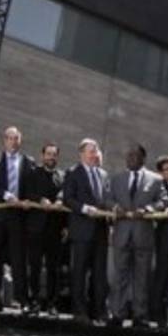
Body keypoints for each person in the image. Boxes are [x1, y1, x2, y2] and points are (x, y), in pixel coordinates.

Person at [108, 144, 167, 329]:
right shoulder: (117, 178)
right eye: (128, 155)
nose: (130, 158)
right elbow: (107, 198)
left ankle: (140, 316)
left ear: (143, 158)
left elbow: (163, 200)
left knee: (142, 277)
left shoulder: (156, 179)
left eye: (135, 155)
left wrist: (149, 209)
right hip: (122, 234)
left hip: (144, 234)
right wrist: (114, 207)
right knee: (119, 276)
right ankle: (117, 313)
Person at [0, 126, 36, 312]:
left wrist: (28, 199)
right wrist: (6, 196)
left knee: (18, 260)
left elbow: (31, 187)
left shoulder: (28, 162)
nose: (13, 141)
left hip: (18, 218)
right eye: (9, 138)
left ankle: (23, 301)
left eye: (16, 138)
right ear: (4, 140)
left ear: (20, 141)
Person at [62, 138, 111, 325]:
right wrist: (84, 209)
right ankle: (79, 311)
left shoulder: (104, 174)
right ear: (82, 154)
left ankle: (98, 311)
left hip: (101, 231)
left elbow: (106, 200)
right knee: (79, 273)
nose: (94, 154)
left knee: (99, 274)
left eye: (96, 150)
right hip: (81, 230)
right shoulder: (73, 173)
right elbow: (68, 198)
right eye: (91, 151)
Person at [26, 143, 65, 314]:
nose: (51, 157)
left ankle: (51, 303)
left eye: (54, 155)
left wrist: (59, 201)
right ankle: (33, 301)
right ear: (42, 156)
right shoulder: (33, 174)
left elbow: (65, 195)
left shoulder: (62, 176)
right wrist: (40, 200)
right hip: (36, 228)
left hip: (55, 229)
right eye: (48, 154)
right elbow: (27, 193)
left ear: (57, 157)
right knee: (34, 266)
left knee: (53, 268)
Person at [149, 155, 168, 329]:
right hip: (165, 234)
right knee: (163, 273)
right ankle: (158, 315)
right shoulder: (159, 186)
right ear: (160, 172)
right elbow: (158, 205)